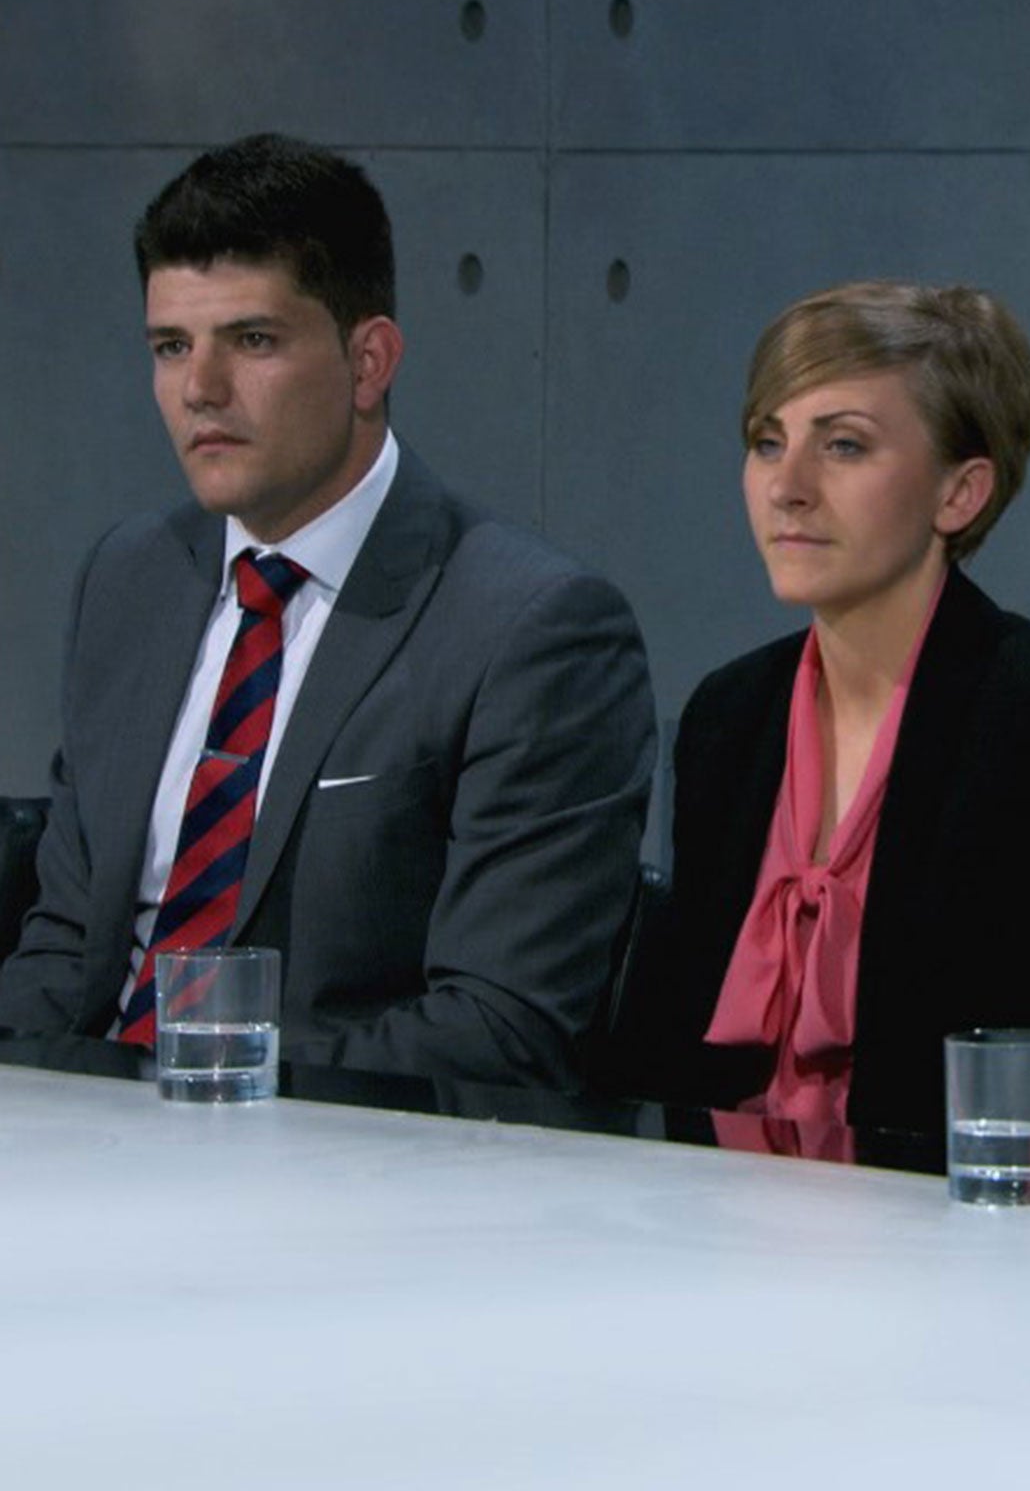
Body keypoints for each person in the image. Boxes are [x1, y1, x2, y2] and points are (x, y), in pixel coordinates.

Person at [0, 134, 656, 1088]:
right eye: (171, 346)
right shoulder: (129, 577)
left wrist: (200, 1096)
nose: (199, 389)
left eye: (252, 341)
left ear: (368, 361)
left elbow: (499, 1028)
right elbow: (66, 948)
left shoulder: (532, 626)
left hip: (342, 1169)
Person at [608, 280, 1030, 1141]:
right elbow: (673, 1059)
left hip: (951, 1244)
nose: (787, 487)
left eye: (842, 446)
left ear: (961, 494)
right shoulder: (730, 715)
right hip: (715, 1229)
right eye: (768, 443)